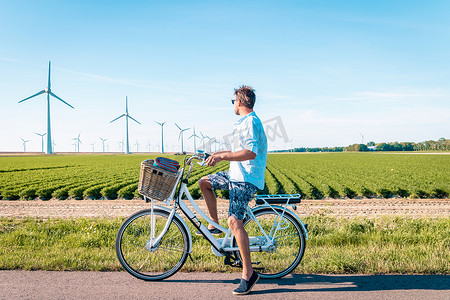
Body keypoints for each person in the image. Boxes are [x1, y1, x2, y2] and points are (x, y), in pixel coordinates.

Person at [198, 85, 267, 295]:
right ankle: (215, 226)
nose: (233, 105)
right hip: (236, 174)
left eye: (233, 101)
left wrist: (223, 156)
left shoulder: (251, 122)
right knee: (204, 182)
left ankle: (248, 274)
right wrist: (214, 154)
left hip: (245, 179)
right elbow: (235, 151)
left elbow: (250, 153)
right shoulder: (243, 122)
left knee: (234, 221)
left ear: (240, 101)